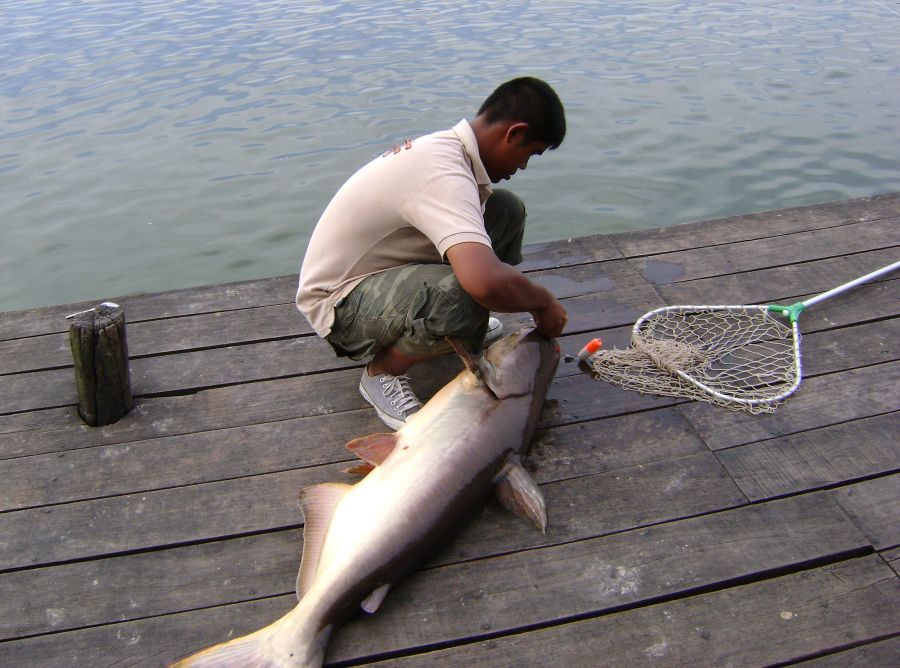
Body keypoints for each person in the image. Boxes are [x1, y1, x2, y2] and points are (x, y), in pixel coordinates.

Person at [296, 76, 568, 430]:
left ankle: (448, 326)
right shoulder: (442, 171)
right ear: (513, 133)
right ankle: (382, 373)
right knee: (464, 294)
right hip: (340, 305)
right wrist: (542, 302)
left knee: (504, 210)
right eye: (529, 154)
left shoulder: (452, 153)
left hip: (385, 274)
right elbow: (483, 283)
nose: (523, 167)